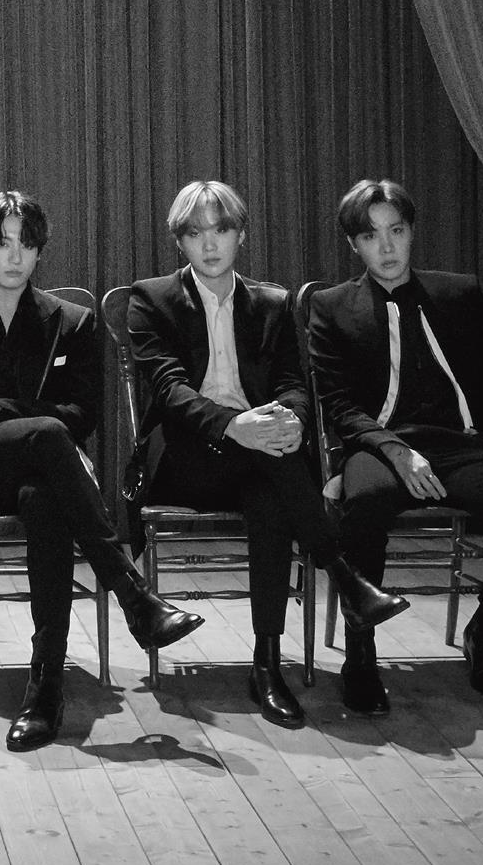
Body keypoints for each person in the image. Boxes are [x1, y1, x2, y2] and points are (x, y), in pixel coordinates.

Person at [0, 190, 207, 750]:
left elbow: (84, 415)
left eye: (26, 243)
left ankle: (46, 687)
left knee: (46, 496)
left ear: (41, 251)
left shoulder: (73, 321)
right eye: (1, 243)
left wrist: (3, 409)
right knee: (47, 435)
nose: (15, 256)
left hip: (50, 474)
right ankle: (133, 594)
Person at [126, 180, 406, 727]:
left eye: (221, 230)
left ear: (241, 236)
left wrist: (292, 421)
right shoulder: (152, 298)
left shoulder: (273, 303)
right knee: (273, 464)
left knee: (270, 495)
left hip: (261, 456)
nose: (210, 244)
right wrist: (236, 426)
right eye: (196, 233)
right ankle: (343, 575)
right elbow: (169, 390)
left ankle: (267, 665)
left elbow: (293, 384)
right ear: (180, 242)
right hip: (185, 457)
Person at [307, 179, 483, 710]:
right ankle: (361, 650)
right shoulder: (331, 306)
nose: (386, 247)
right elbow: (339, 405)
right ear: (354, 245)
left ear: (411, 233)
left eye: (396, 231)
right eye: (371, 236)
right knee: (365, 502)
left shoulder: (459, 294)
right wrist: (394, 450)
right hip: (379, 448)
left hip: (460, 448)